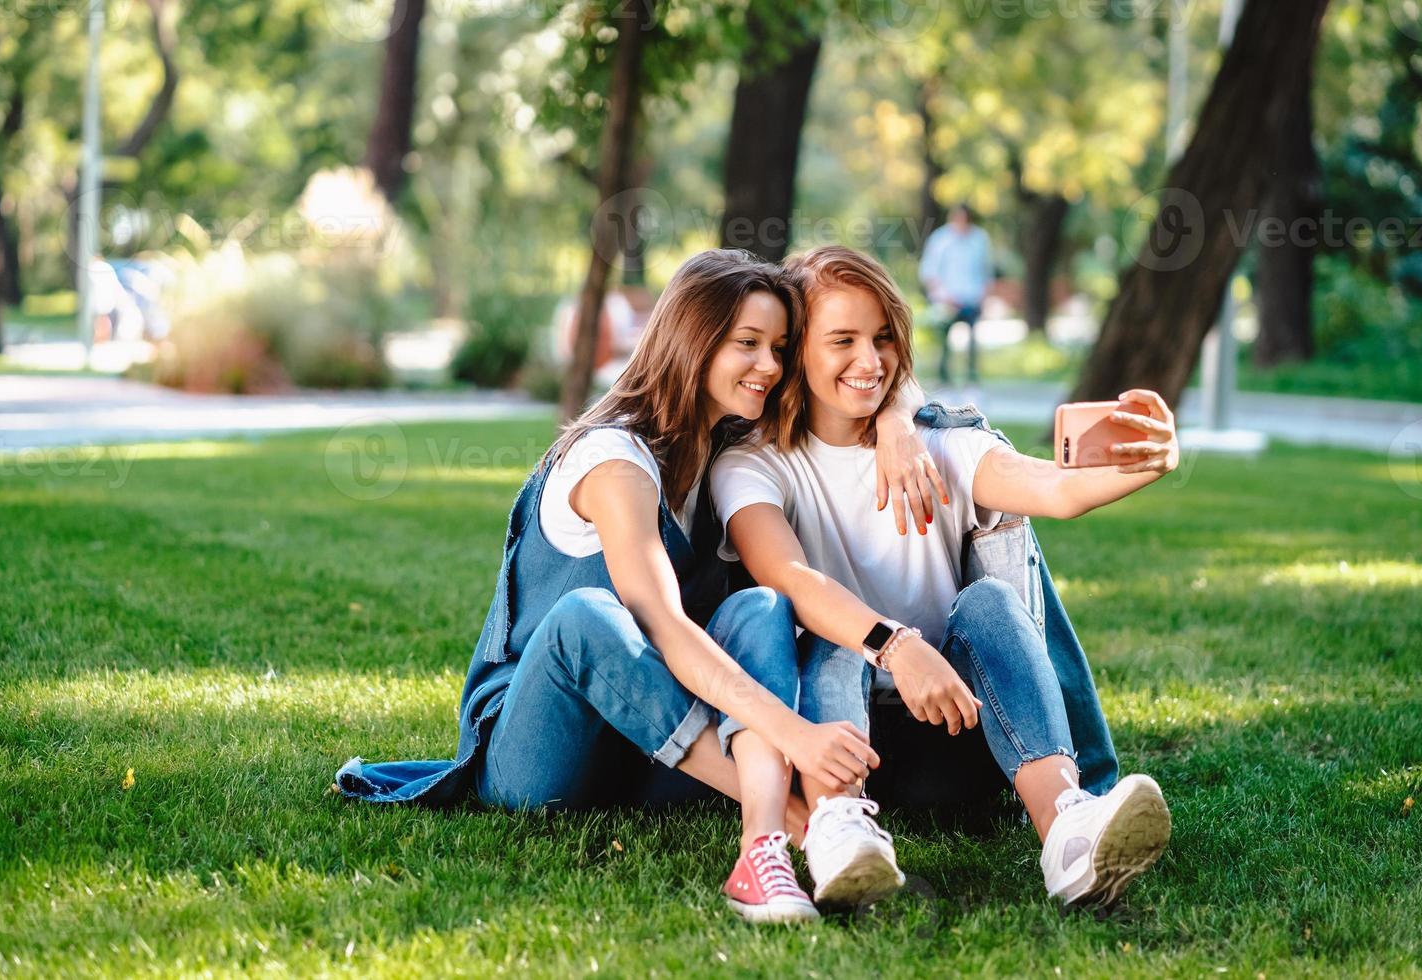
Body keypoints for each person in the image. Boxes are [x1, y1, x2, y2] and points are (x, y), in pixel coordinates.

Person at [334, 249, 943, 924]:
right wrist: (796, 735)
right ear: (693, 339)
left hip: (652, 758)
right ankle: (800, 828)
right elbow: (660, 620)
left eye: (777, 347)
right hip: (542, 763)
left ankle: (758, 852)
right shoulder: (613, 460)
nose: (769, 366)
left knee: (762, 605)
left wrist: (896, 422)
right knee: (587, 618)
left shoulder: (722, 457)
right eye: (747, 344)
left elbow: (864, 380)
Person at [712, 245, 1176, 907]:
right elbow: (783, 572)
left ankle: (1066, 830)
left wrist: (1147, 460)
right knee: (826, 628)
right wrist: (898, 646)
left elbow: (1055, 488)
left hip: (963, 732)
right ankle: (838, 831)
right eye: (842, 340)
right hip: (843, 745)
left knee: (988, 601)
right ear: (796, 353)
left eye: (883, 339)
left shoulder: (940, 444)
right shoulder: (756, 464)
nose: (869, 362)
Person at [918, 204, 992, 384]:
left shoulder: (979, 239)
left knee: (972, 340)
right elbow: (929, 271)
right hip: (947, 299)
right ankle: (944, 377)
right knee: (945, 341)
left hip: (971, 298)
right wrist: (942, 295)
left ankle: (971, 377)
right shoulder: (941, 239)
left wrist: (983, 296)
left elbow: (986, 270)